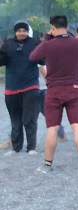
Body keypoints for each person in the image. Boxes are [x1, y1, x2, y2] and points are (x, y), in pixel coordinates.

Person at [28, 15, 78, 172]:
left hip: (54, 90)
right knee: (77, 125)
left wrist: (47, 38)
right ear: (68, 26)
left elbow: (33, 56)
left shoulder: (48, 45)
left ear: (52, 27)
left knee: (53, 128)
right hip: (74, 89)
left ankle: (47, 164)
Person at [0, 21, 41, 155]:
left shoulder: (34, 43)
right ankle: (16, 147)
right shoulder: (8, 44)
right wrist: (1, 51)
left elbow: (42, 61)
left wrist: (41, 46)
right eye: (19, 31)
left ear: (28, 32)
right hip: (11, 87)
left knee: (29, 119)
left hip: (30, 86)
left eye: (24, 30)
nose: (21, 33)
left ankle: (31, 147)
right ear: (15, 32)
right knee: (15, 120)